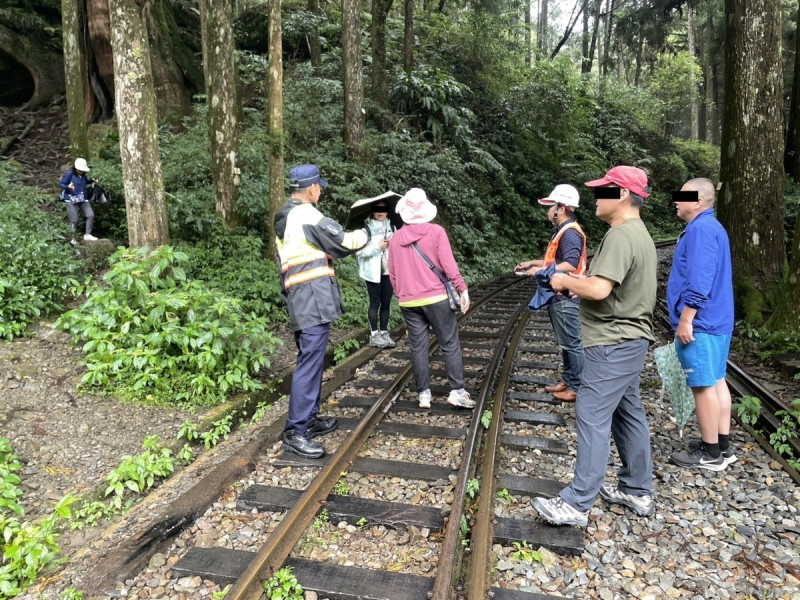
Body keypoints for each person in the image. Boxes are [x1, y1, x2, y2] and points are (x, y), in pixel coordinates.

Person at [532, 166, 657, 527]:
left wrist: (562, 279)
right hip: (631, 342)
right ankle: (637, 489)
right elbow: (609, 286)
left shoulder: (620, 235)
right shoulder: (640, 234)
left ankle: (577, 503)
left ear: (621, 195)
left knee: (591, 414)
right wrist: (581, 285)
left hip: (612, 343)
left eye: (602, 191)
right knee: (628, 413)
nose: (595, 198)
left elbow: (601, 289)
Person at [274, 164, 369, 459]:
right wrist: (369, 233)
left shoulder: (286, 214)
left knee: (312, 357)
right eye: (320, 187)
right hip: (311, 296)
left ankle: (309, 419)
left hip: (301, 294)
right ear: (312, 188)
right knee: (310, 360)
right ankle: (296, 431)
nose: (321, 192)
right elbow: (343, 242)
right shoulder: (307, 214)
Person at [667, 178, 735, 471]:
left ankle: (710, 454)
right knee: (718, 380)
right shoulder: (713, 227)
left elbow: (700, 279)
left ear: (697, 201)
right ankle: (722, 445)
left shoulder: (700, 230)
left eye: (681, 197)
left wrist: (686, 319)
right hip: (717, 320)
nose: (675, 201)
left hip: (701, 323)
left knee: (703, 385)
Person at [388, 188, 474, 410]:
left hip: (408, 302)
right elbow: (448, 264)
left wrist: (401, 294)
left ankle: (423, 395)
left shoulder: (396, 237)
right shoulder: (436, 232)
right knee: (449, 343)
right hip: (436, 297)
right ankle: (457, 391)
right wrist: (462, 288)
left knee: (418, 347)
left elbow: (393, 272)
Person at [515, 184, 587, 402]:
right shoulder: (563, 231)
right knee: (565, 341)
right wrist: (533, 263)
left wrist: (541, 270)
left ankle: (577, 387)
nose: (548, 211)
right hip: (559, 294)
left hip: (566, 294)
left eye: (550, 206)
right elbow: (555, 260)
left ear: (561, 208)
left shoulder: (571, 233)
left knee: (572, 343)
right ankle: (568, 379)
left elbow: (569, 264)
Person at [357, 201, 397, 349]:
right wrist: (377, 247)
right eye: (377, 210)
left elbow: (401, 249)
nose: (380, 213)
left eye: (383, 209)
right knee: (375, 303)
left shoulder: (393, 228)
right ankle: (374, 335)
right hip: (372, 273)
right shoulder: (365, 230)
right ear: (372, 211)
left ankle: (384, 333)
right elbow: (359, 252)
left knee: (386, 303)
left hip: (388, 271)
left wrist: (394, 244)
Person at [59, 157, 98, 242]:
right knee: (74, 219)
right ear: (76, 168)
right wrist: (68, 186)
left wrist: (92, 181)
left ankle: (87, 234)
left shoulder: (83, 175)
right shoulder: (69, 174)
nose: (82, 171)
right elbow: (61, 184)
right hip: (71, 199)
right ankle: (72, 238)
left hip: (82, 198)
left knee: (90, 215)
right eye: (80, 170)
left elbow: (85, 182)